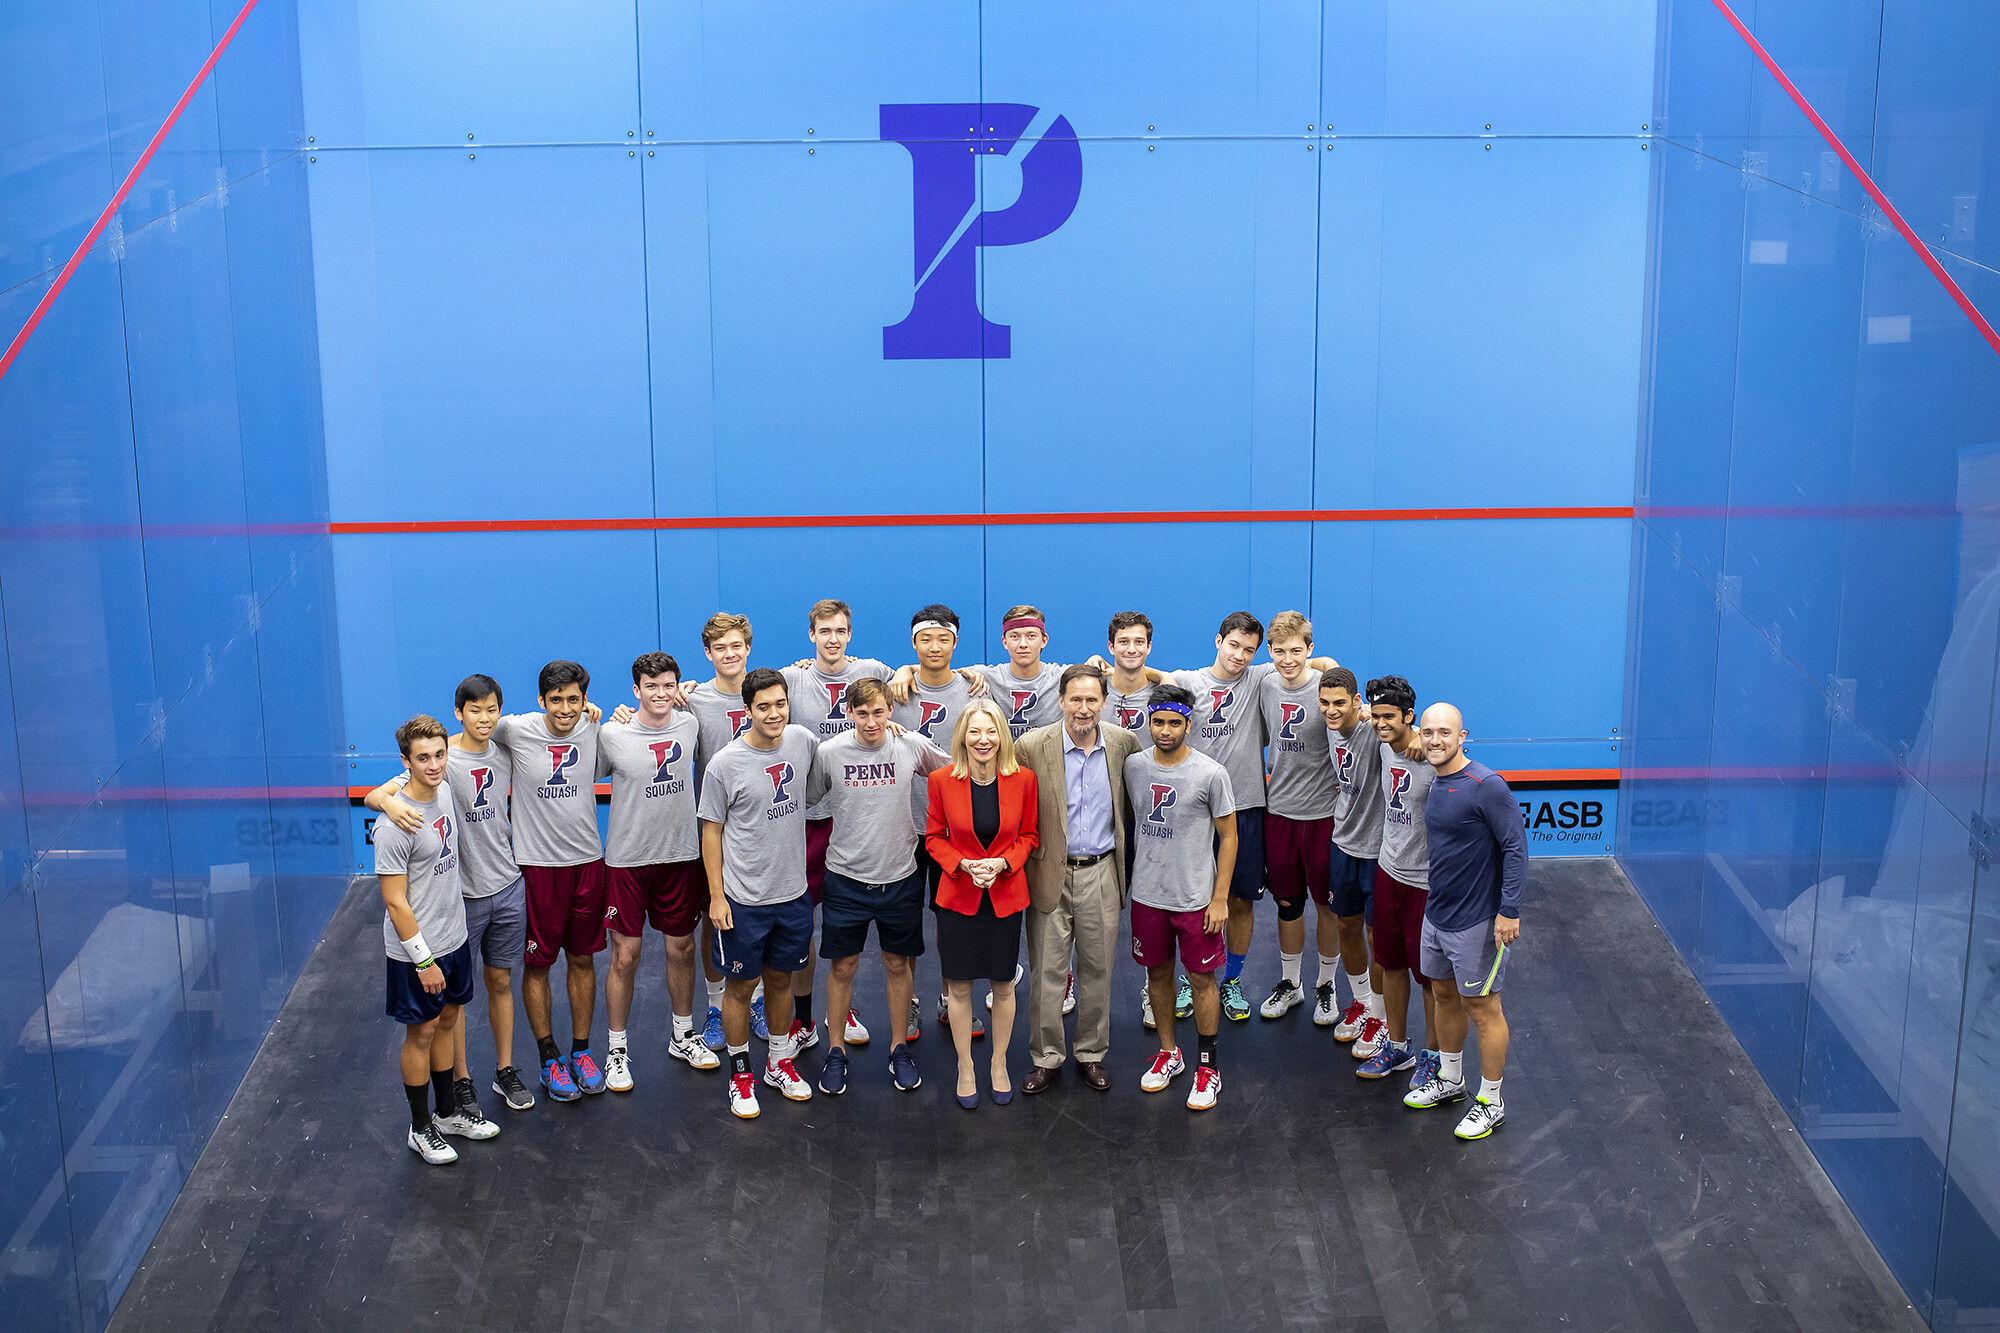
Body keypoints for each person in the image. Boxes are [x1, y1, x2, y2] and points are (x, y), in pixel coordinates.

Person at [365, 674, 533, 1115]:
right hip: (461, 903)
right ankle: (458, 1086)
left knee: (488, 989)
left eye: (491, 709)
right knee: (439, 1016)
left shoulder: (503, 750)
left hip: (503, 889)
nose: (484, 717)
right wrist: (386, 801)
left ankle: (503, 1072)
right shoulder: (436, 768)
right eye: (474, 709)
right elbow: (380, 794)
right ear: (459, 712)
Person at [805, 677, 949, 1094]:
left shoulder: (911, 746)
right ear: (849, 713)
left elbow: (955, 772)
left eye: (879, 713)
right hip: (845, 879)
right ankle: (835, 1051)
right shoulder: (830, 752)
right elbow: (806, 798)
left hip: (900, 879)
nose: (871, 722)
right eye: (863, 713)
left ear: (891, 711)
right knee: (843, 967)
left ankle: (899, 1049)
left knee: (897, 965)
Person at [697, 667, 821, 1118]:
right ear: (747, 709)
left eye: (780, 704)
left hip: (792, 894)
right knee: (741, 985)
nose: (774, 714)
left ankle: (778, 1062)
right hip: (743, 900)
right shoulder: (724, 763)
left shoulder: (802, 741)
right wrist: (717, 896)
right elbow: (711, 832)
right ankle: (741, 1074)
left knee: (781, 980)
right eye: (763, 706)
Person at [1402, 703, 1526, 1141]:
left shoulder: (1486, 786)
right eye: (1428, 732)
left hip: (1477, 922)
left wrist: (1509, 910)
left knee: (1483, 1008)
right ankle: (1451, 1080)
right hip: (1437, 913)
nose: (1435, 740)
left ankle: (1491, 1101)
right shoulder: (1435, 778)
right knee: (1442, 995)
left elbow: (1515, 848)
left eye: (1445, 733)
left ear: (1462, 736)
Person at [1014, 664, 1141, 1094]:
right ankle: (1046, 1057)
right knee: (1046, 972)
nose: (1083, 708)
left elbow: (1132, 806)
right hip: (1048, 870)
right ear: (1061, 701)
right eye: (1075, 699)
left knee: (1098, 969)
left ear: (1104, 702)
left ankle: (1091, 1053)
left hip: (1102, 871)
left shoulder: (1123, 744)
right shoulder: (1031, 746)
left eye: (1091, 699)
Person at [781, 599, 896, 1056]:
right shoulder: (793, 679)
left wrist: (912, 671)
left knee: (843, 925)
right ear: (811, 635)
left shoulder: (872, 670)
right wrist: (687, 688)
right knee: (802, 924)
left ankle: (840, 1010)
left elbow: (910, 679)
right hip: (806, 819)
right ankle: (803, 1018)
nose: (833, 638)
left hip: (854, 819)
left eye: (840, 630)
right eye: (824, 631)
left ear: (850, 634)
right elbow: (741, 692)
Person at [376, 715, 493, 1164]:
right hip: (417, 952)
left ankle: (447, 1114)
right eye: (422, 757)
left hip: (454, 937)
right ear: (405, 761)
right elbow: (395, 902)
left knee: (447, 1019)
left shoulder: (443, 790)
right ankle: (420, 1127)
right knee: (421, 1032)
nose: (434, 765)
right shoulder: (394, 825)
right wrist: (423, 961)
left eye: (440, 754)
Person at [597, 652, 716, 1090]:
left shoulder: (690, 722)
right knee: (624, 956)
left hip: (680, 856)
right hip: (627, 861)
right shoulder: (612, 733)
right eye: (651, 686)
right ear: (636, 690)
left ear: (677, 686)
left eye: (668, 685)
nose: (661, 694)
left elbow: (721, 692)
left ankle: (683, 1035)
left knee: (681, 949)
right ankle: (616, 1050)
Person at [493, 661, 609, 1102]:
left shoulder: (593, 726)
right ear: (541, 700)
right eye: (556, 699)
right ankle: (548, 1058)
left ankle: (581, 1052)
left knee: (582, 959)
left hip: (587, 863)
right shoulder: (514, 729)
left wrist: (600, 713)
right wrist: (391, 792)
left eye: (574, 699)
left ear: (584, 700)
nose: (565, 708)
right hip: (537, 867)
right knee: (538, 964)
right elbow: (464, 740)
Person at [1125, 684, 1236, 1110]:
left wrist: (1220, 898)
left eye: (1174, 723)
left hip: (1195, 899)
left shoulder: (1211, 773)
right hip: (1148, 894)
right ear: (1148, 722)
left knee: (1202, 979)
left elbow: (1229, 837)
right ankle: (1169, 1053)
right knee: (1157, 975)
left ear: (1189, 724)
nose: (1166, 730)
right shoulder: (1134, 766)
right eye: (1158, 722)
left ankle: (1208, 1067)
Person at [926, 699, 1039, 1108]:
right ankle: (965, 1066)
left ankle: (998, 1063)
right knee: (959, 987)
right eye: (974, 731)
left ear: (1002, 737)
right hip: (959, 897)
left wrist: (1003, 863)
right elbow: (934, 837)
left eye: (991, 731)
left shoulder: (1024, 779)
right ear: (962, 737)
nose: (983, 739)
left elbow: (1029, 835)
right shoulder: (941, 780)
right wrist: (964, 865)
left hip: (1004, 897)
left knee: (1003, 985)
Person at [890, 603, 979, 1045]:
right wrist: (902, 672)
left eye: (943, 639)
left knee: (951, 921)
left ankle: (950, 998)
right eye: (925, 639)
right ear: (913, 643)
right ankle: (908, 1002)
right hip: (904, 827)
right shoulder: (894, 689)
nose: (934, 647)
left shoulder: (974, 691)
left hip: (954, 829)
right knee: (905, 924)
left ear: (956, 643)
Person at [1253, 613, 1342, 1025]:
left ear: (1310, 648)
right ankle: (1292, 983)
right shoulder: (1264, 681)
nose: (1287, 659)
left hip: (1323, 816)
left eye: (1296, 650)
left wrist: (1328, 664)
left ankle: (1326, 985)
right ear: (1270, 652)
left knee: (1327, 905)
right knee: (1287, 903)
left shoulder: (1326, 688)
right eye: (1279, 651)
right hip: (1279, 813)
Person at [682, 612, 761, 1050]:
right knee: (715, 916)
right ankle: (716, 1006)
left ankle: (758, 1001)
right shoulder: (692, 700)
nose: (729, 654)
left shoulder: (770, 690)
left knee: (760, 916)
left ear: (748, 648)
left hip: (762, 830)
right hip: (712, 829)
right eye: (720, 648)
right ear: (708, 653)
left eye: (736, 646)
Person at [1356, 676, 1437, 1083]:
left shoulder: (1432, 756)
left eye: (1390, 716)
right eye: (1376, 716)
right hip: (1388, 872)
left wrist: (1425, 737)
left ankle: (1436, 1058)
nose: (1381, 723)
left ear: (1409, 716)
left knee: (1431, 978)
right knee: (1390, 964)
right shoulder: (1383, 745)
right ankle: (1399, 1047)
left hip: (1426, 884)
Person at [1320, 666, 1388, 1056]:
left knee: (1378, 937)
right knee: (1347, 926)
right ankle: (1361, 1003)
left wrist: (1417, 739)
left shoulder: (1373, 728)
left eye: (1340, 703)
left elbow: (1410, 730)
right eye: (1325, 703)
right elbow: (1318, 664)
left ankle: (1380, 1015)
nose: (1331, 710)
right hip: (1342, 842)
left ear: (1356, 702)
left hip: (1378, 852)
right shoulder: (1331, 725)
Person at [1104, 611, 1157, 732]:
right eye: (1124, 641)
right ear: (1111, 647)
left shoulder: (1164, 691)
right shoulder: (1093, 693)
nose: (1131, 649)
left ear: (1148, 647)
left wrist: (1163, 676)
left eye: (1139, 642)